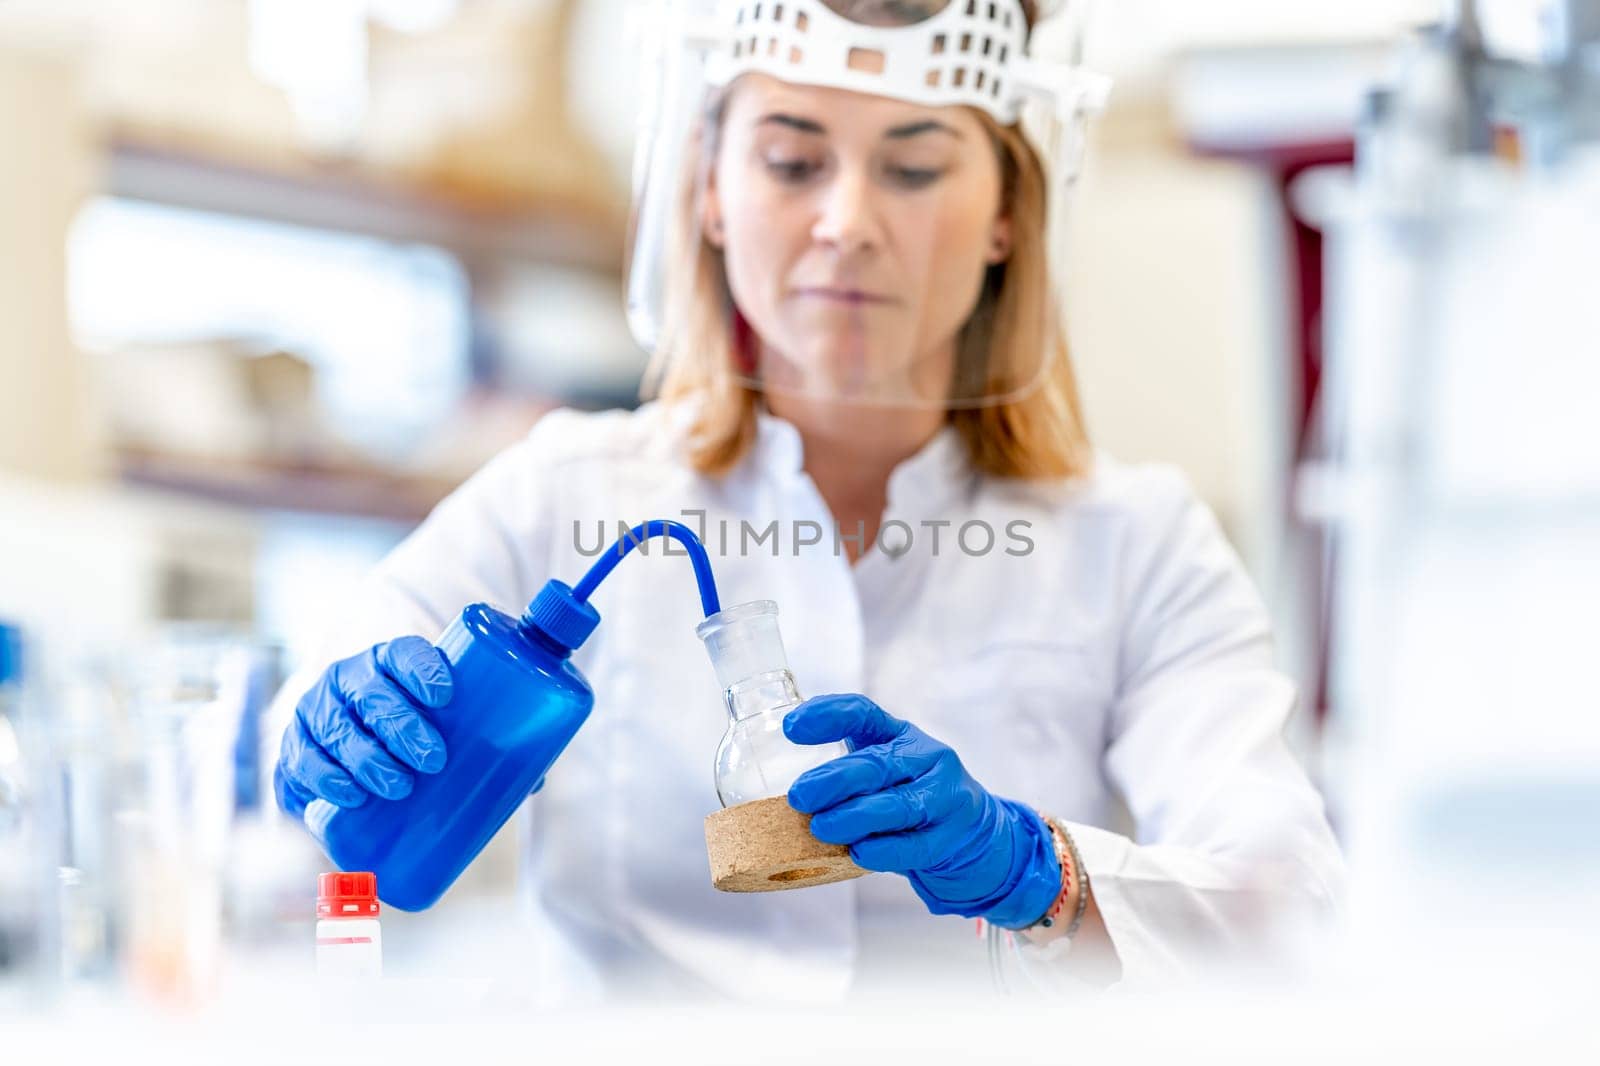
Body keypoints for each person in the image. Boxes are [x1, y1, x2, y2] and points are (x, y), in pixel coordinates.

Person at [270, 0, 1342, 1002]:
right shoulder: (561, 495)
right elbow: (316, 720)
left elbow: (1286, 908)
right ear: (707, 189)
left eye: (915, 168)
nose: (845, 221)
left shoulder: (1137, 542)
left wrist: (1040, 871)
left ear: (1009, 212)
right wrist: (332, 726)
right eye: (791, 160)